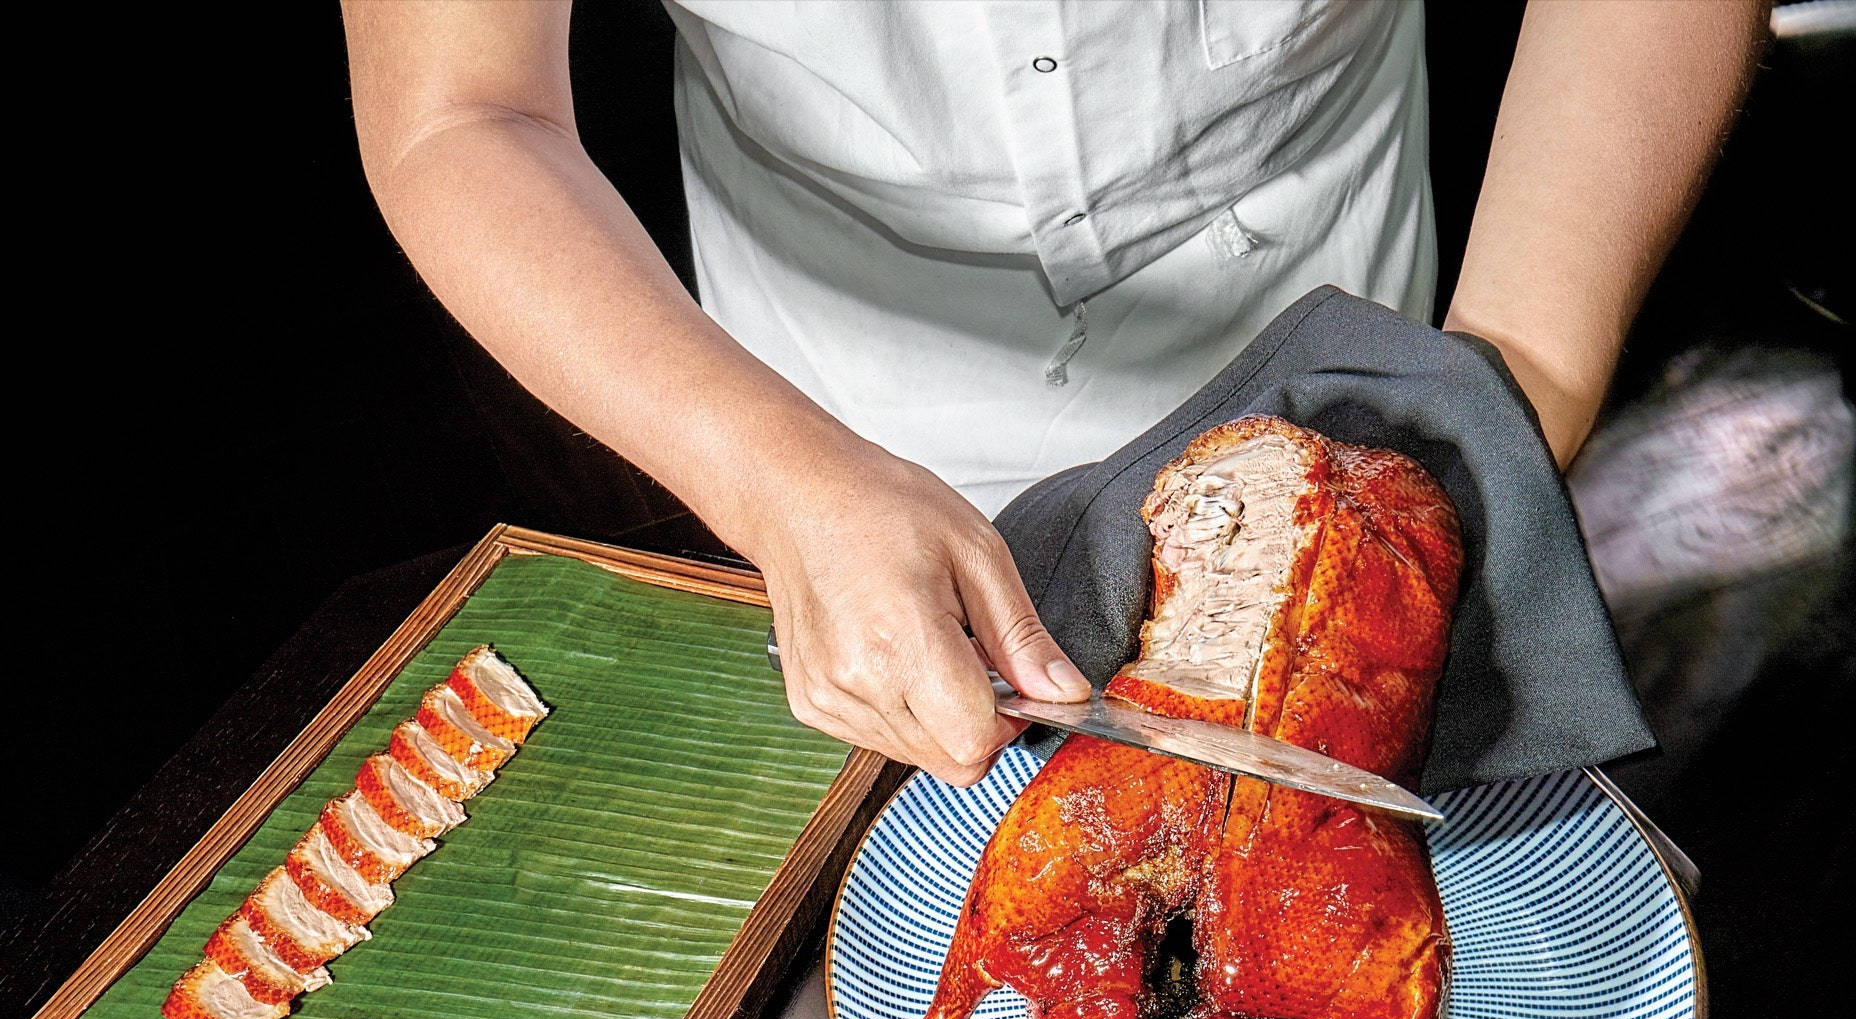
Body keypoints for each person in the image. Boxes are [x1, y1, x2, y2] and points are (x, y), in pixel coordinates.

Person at [340, 0, 1768, 786]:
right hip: (827, 423)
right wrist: (769, 473)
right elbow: (464, 111)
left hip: (1345, 387)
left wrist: (1494, 407)